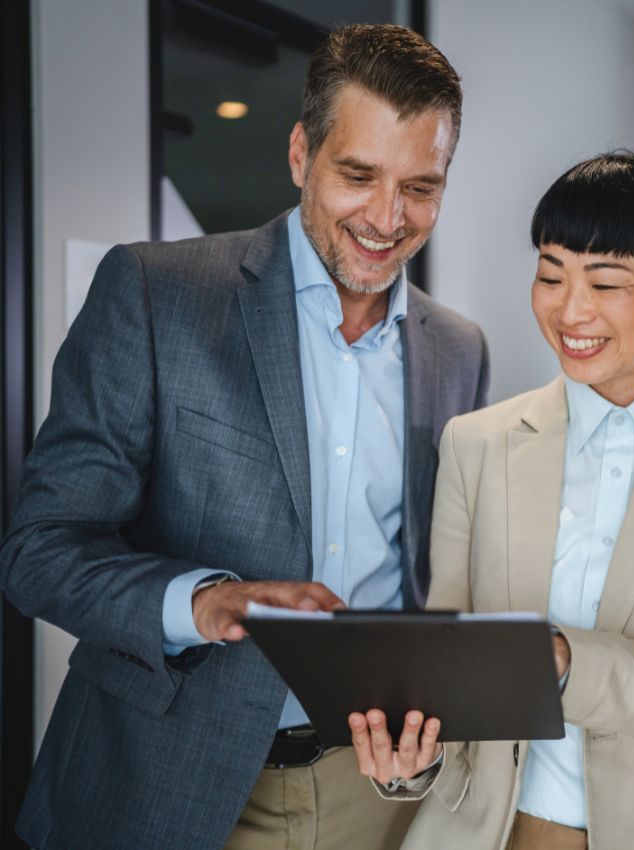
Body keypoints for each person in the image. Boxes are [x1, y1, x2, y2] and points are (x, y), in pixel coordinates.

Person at [0, 24, 488, 850]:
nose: (385, 217)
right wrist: (205, 600)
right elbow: (39, 552)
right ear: (301, 155)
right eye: (358, 175)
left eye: (420, 187)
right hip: (161, 782)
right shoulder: (156, 293)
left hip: (372, 797)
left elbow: (427, 577)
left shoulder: (459, 349)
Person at [347, 152, 634, 850]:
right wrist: (415, 759)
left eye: (606, 282)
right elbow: (447, 674)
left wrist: (563, 661)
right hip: (486, 832)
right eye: (551, 274)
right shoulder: (477, 443)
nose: (570, 310)